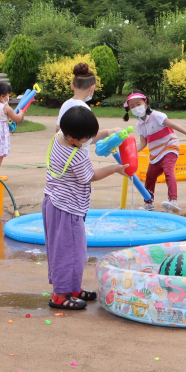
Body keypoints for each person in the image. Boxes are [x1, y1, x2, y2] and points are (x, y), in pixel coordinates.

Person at [43, 106, 125, 310]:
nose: (88, 141)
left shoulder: (58, 137)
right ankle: (60, 296)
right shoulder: (76, 155)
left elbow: (84, 136)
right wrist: (115, 169)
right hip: (67, 209)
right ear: (72, 138)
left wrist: (107, 133)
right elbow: (90, 176)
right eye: (85, 139)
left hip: (53, 202)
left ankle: (72, 289)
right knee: (69, 253)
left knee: (67, 251)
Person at [122, 91, 186, 213]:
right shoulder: (140, 125)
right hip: (155, 154)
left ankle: (173, 200)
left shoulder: (157, 115)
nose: (136, 108)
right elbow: (143, 143)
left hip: (170, 147)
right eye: (132, 106)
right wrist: (130, 154)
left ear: (146, 102)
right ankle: (148, 203)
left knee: (168, 170)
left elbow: (173, 125)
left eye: (138, 104)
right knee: (150, 177)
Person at [56, 61, 97, 128]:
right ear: (92, 88)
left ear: (72, 85)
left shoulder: (65, 104)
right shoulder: (85, 109)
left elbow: (58, 129)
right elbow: (88, 135)